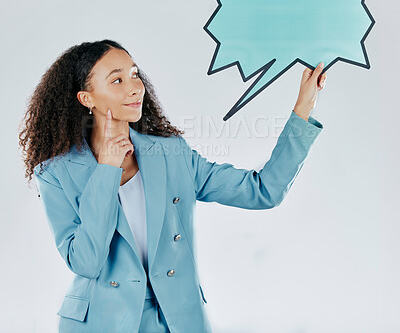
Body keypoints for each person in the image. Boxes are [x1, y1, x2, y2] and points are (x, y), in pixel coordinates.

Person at [19, 39, 326, 332]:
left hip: (175, 319)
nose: (135, 87)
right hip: (101, 321)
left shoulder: (171, 155)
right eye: (117, 80)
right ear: (87, 99)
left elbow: (263, 191)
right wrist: (106, 170)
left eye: (134, 74)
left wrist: (303, 109)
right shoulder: (55, 173)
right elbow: (85, 261)